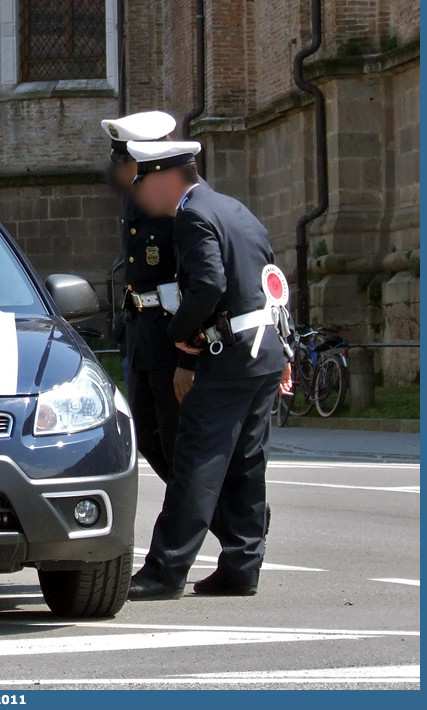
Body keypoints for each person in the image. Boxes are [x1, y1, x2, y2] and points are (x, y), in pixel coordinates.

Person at [126, 140, 292, 600]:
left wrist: (179, 332)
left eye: (144, 179)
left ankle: (166, 569)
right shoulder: (235, 208)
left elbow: (208, 283)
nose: (140, 190)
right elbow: (270, 278)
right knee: (246, 462)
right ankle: (242, 564)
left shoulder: (193, 215)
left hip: (231, 354)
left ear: (166, 177)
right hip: (263, 350)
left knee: (197, 462)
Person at [100, 111, 195, 484]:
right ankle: (206, 511)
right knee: (148, 436)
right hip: (140, 331)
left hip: (171, 330)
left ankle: (221, 516)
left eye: (129, 163)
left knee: (176, 437)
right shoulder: (134, 199)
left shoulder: (178, 201)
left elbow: (196, 275)